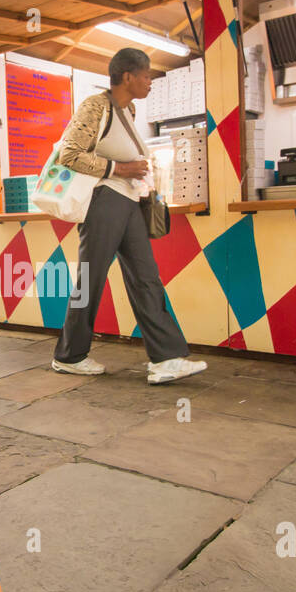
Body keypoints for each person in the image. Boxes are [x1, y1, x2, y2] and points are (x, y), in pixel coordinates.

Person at [50, 47, 207, 385]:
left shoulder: (129, 109)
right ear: (127, 77)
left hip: (127, 201)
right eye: (147, 75)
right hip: (102, 201)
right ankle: (69, 356)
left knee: (146, 276)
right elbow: (69, 154)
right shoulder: (95, 106)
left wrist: (134, 172)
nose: (151, 82)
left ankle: (165, 359)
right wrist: (120, 168)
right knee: (90, 278)